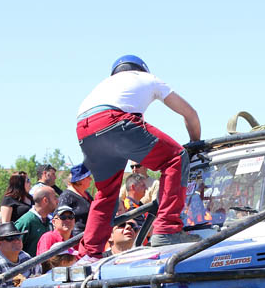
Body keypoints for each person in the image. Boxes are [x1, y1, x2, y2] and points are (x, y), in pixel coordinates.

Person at [74, 54, 201, 260]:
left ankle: (90, 253)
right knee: (176, 157)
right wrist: (195, 144)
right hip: (112, 120)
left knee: (107, 192)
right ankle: (167, 228)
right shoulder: (148, 79)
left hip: (85, 128)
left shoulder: (106, 85)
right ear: (142, 69)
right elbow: (190, 114)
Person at [14, 186, 57, 256]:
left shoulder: (49, 221)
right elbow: (13, 250)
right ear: (45, 200)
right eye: (55, 198)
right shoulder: (25, 222)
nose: (57, 201)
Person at [58, 164, 94, 235]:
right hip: (77, 237)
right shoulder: (66, 197)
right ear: (79, 181)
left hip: (90, 234)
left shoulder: (86, 194)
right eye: (88, 177)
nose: (91, 179)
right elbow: (61, 222)